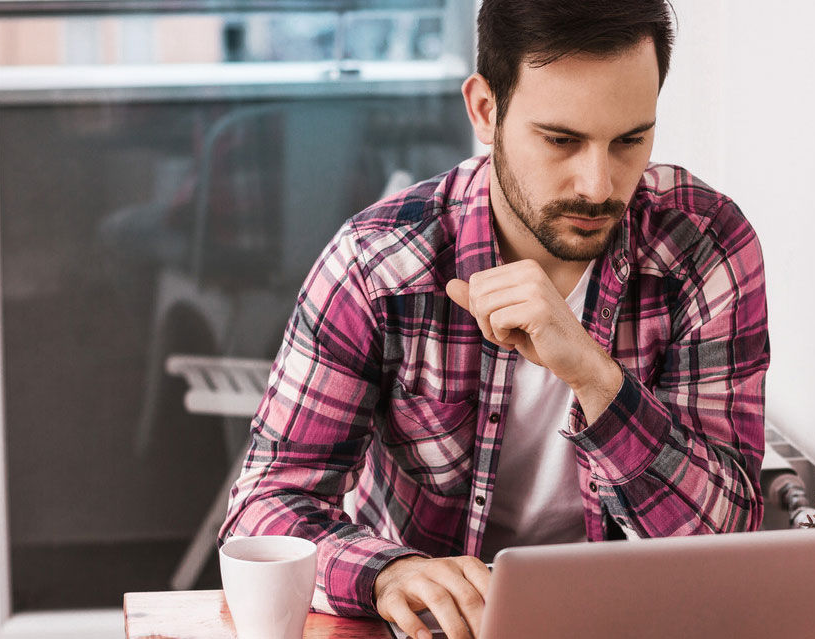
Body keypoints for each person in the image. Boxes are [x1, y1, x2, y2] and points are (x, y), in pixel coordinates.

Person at [218, 1, 769, 637]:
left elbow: (725, 545)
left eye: (629, 140)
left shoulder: (704, 245)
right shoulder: (379, 264)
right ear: (485, 109)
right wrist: (387, 574)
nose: (597, 184)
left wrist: (594, 376)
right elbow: (263, 510)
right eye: (561, 140)